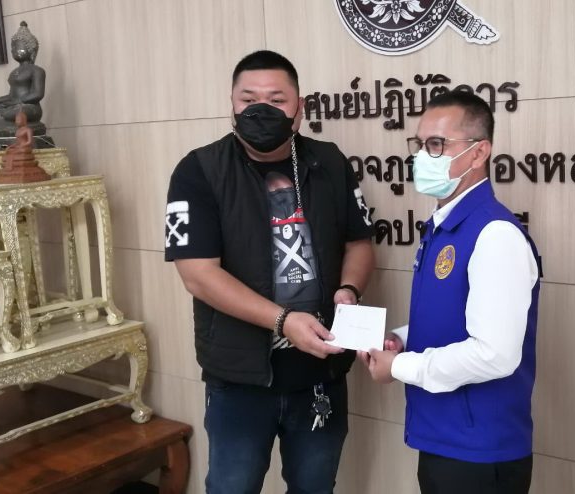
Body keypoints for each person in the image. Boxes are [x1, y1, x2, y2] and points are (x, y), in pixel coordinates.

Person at [165, 50, 375, 493]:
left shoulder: (328, 162)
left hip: (319, 373)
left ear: (300, 108)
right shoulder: (198, 170)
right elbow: (198, 275)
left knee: (315, 486)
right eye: (249, 100)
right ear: (232, 104)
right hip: (239, 377)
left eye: (277, 100)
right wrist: (283, 320)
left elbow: (358, 242)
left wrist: (349, 289)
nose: (261, 110)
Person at [361, 90, 542, 494]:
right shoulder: (444, 226)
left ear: (479, 153)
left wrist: (400, 367)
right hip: (444, 438)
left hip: (479, 451)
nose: (423, 156)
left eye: (437, 144)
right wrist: (402, 340)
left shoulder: (494, 234)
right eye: (420, 144)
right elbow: (452, 318)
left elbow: (495, 354)